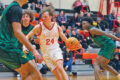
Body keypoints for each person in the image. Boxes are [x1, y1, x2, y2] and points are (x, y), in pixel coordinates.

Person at [0, 0, 43, 80]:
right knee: (36, 76)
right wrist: (34, 50)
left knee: (28, 75)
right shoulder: (16, 8)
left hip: (7, 48)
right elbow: (18, 33)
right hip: (9, 48)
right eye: (24, 17)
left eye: (27, 17)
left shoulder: (11, 7)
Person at [25, 6, 69, 80]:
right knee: (57, 75)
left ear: (51, 17)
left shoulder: (57, 27)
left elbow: (64, 38)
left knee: (60, 67)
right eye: (43, 17)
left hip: (55, 50)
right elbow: (27, 36)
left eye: (46, 17)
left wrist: (69, 44)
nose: (43, 19)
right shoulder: (38, 27)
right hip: (46, 54)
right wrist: (24, 45)